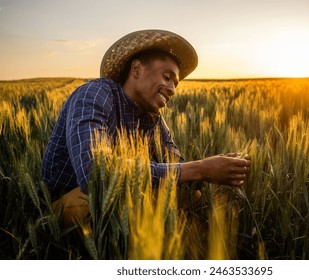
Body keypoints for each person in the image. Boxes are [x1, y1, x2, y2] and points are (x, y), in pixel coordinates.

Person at [41, 29, 251, 227]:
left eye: (175, 84)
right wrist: (200, 169)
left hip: (119, 197)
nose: (172, 89)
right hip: (71, 202)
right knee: (128, 201)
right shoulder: (95, 94)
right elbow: (96, 176)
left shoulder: (153, 118)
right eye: (167, 78)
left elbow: (176, 165)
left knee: (189, 194)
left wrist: (218, 168)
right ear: (137, 69)